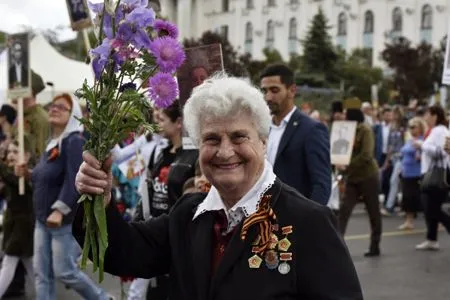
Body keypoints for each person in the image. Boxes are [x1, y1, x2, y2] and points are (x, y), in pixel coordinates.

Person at [73, 74, 363, 299]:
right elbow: (122, 252)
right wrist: (98, 199)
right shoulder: (189, 213)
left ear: (263, 142)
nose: (225, 152)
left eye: (239, 137)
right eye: (212, 139)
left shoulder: (308, 221)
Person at [15, 93, 112, 300]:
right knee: (42, 274)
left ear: (73, 114)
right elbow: (45, 177)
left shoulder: (73, 141)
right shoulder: (53, 142)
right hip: (42, 219)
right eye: (52, 105)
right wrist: (28, 174)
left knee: (65, 272)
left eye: (61, 107)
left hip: (61, 221)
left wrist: (59, 210)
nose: (54, 109)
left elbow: (73, 180)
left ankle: (102, 298)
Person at [260, 64, 331, 205]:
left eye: (274, 90)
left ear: (292, 90)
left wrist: (307, 220)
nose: (268, 97)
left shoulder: (312, 129)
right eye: (264, 91)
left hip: (294, 217)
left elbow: (321, 185)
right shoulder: (261, 128)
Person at [337, 98, 382, 257]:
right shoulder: (345, 130)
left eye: (345, 113)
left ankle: (375, 245)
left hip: (368, 175)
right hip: (352, 177)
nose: (342, 116)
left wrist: (347, 165)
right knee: (344, 211)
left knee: (373, 211)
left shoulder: (365, 130)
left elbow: (366, 155)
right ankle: (337, 246)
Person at [0, 138, 35, 298]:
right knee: (32, 266)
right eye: (9, 152)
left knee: (9, 262)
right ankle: (46, 294)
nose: (11, 155)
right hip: (11, 226)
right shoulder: (10, 176)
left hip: (23, 228)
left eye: (16, 151)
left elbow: (13, 181)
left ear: (26, 156)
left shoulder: (26, 177)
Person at [414, 105, 450, 250]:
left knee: (432, 209)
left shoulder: (440, 131)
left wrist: (422, 145)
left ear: (435, 116)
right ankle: (431, 238)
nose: (425, 117)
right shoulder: (434, 131)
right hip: (430, 173)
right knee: (430, 208)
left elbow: (442, 152)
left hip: (436, 175)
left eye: (428, 114)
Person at [11, 70, 50, 158]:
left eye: (17, 85)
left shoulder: (40, 119)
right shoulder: (21, 116)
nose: (12, 89)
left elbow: (41, 157)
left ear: (29, 90)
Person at [397, 117, 426, 230]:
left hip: (416, 173)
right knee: (407, 198)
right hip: (406, 172)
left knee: (419, 198)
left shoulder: (421, 141)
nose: (411, 129)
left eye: (414, 127)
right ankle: (409, 221)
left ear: (420, 128)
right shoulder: (410, 140)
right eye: (410, 127)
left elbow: (421, 155)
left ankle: (437, 221)